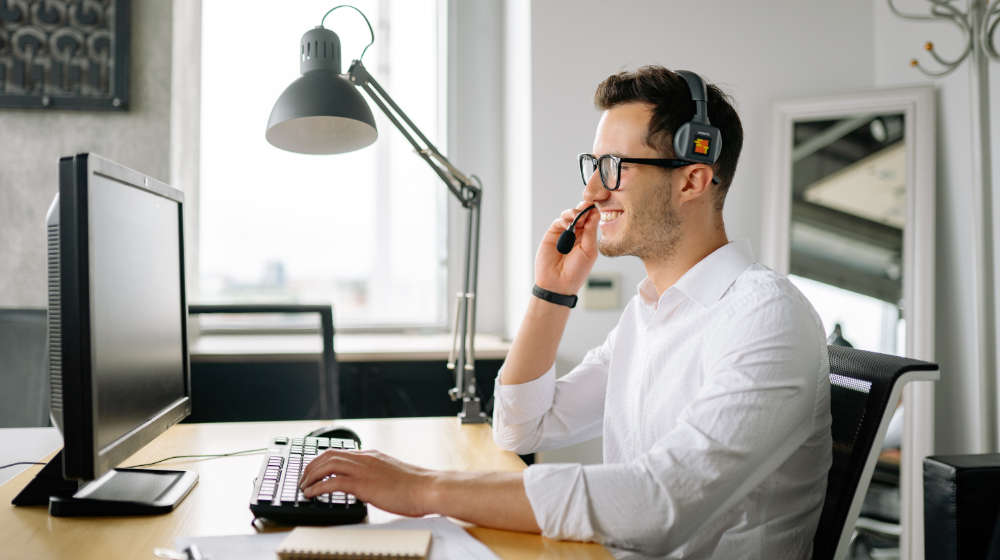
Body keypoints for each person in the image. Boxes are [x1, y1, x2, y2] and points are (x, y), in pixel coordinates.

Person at [300, 66, 832, 559]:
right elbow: (521, 429)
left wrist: (421, 488)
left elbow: (658, 504)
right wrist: (551, 293)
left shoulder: (765, 318)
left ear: (692, 179)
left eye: (614, 168)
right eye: (594, 165)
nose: (593, 191)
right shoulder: (651, 312)